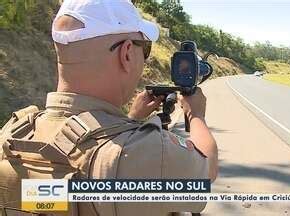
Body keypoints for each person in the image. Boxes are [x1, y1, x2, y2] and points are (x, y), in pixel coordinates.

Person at [0, 0, 218, 215]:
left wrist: (130, 121)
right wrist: (196, 115)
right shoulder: (144, 154)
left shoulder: (12, 136)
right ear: (126, 53)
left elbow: (47, 198)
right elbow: (206, 170)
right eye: (145, 49)